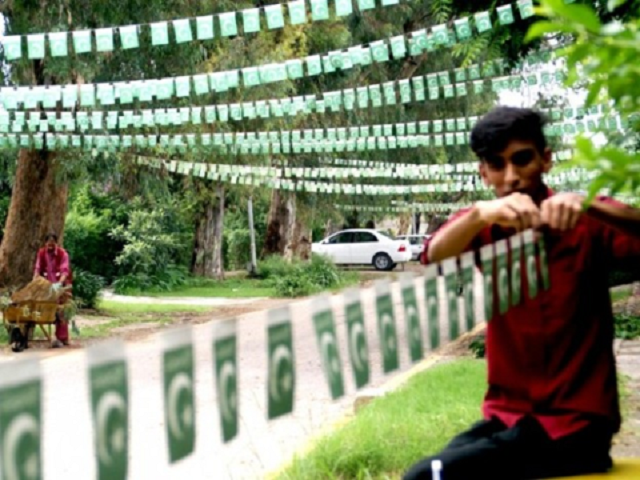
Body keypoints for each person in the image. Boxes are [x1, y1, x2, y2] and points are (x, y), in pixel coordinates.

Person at [406, 106, 640, 480]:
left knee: (427, 476)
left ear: (546, 160)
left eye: (522, 160)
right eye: (497, 165)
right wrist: (480, 215)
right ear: (484, 173)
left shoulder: (587, 218)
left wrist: (588, 202)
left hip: (577, 427)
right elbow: (433, 255)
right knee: (431, 469)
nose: (511, 177)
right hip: (508, 416)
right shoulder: (484, 224)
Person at [33, 233, 72, 348]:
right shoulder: (41, 253)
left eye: (52, 244)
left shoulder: (63, 254)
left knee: (62, 311)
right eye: (48, 244)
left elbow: (65, 271)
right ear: (45, 244)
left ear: (56, 243)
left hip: (61, 285)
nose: (50, 246)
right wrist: (34, 281)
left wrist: (59, 284)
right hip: (46, 285)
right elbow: (37, 268)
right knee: (46, 308)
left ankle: (63, 337)